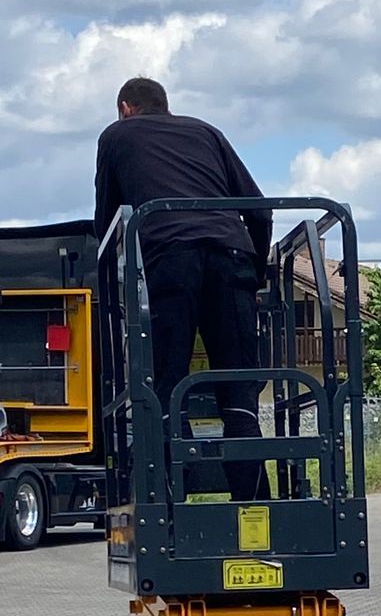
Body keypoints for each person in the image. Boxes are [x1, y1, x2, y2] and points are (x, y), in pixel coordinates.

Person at [94, 77, 269, 500]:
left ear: (125, 108)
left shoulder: (116, 136)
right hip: (231, 257)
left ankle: (172, 502)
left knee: (168, 385)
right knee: (239, 389)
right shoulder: (207, 131)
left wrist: (112, 283)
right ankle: (256, 507)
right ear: (166, 105)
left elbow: (106, 222)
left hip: (171, 258)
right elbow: (260, 211)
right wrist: (256, 275)